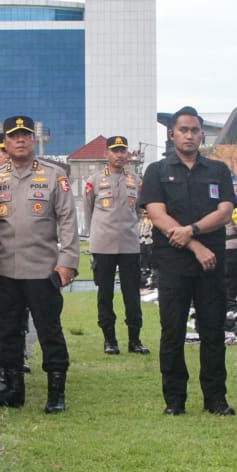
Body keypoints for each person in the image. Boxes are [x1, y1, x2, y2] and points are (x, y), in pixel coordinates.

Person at [138, 107, 236, 414]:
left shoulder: (217, 170)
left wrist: (192, 231)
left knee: (212, 331)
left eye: (195, 130)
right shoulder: (156, 170)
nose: (189, 135)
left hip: (211, 262)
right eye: (184, 130)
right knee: (173, 331)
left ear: (201, 134)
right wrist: (194, 245)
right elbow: (156, 214)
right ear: (172, 134)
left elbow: (225, 211)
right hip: (173, 262)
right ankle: (175, 400)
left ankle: (215, 399)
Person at [0, 115, 79, 413]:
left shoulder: (53, 175)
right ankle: (13, 389)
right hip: (4, 269)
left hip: (42, 269)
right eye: (14, 136)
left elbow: (67, 221)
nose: (20, 140)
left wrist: (67, 262)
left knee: (50, 330)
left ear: (33, 140)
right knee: (8, 331)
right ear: (5, 142)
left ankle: (56, 392)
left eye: (25, 135)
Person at [84, 135, 148, 355]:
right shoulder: (94, 180)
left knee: (132, 294)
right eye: (115, 151)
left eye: (123, 151)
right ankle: (109, 340)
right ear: (107, 154)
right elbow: (88, 211)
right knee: (105, 294)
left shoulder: (136, 180)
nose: (120, 155)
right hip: (103, 244)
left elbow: (139, 211)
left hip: (129, 243)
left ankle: (135, 339)